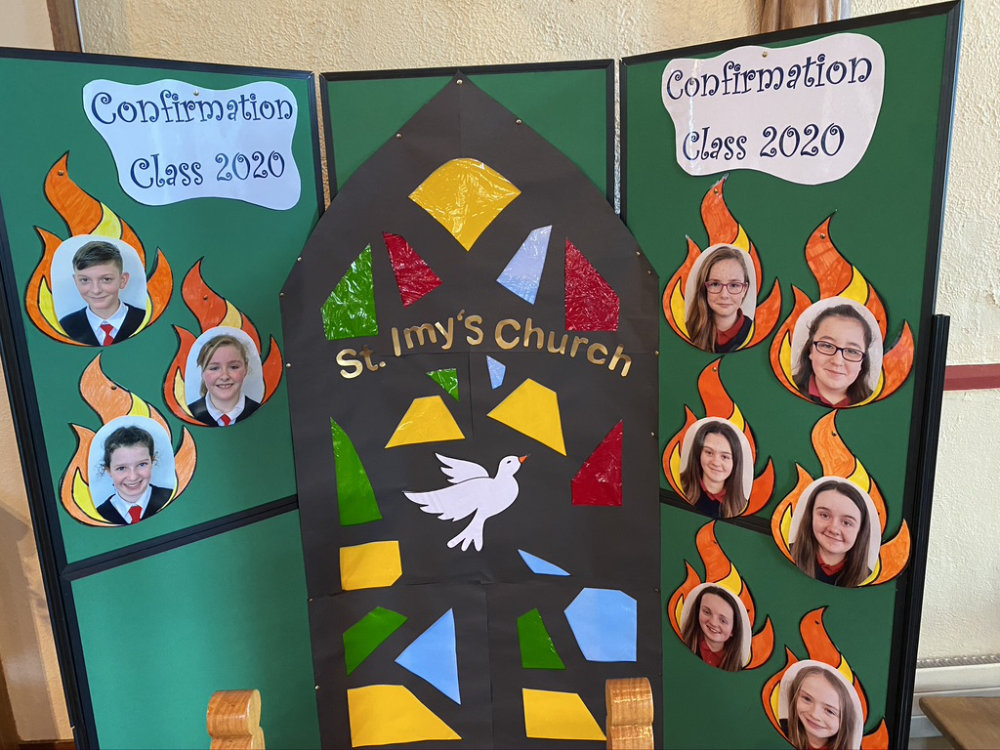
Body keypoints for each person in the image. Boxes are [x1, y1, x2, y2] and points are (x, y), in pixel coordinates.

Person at [58, 240, 145, 346]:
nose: (96, 290)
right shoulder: (65, 327)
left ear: (123, 280)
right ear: (76, 281)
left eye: (106, 279)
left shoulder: (144, 320)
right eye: (85, 280)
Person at [791, 479, 873, 587]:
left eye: (846, 523)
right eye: (825, 515)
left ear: (861, 530)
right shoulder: (784, 555)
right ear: (810, 516)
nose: (833, 529)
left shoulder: (871, 579)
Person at [793, 304, 875, 407]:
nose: (837, 361)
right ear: (811, 350)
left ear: (862, 361)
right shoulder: (783, 391)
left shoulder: (877, 404)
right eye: (827, 346)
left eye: (852, 351)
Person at [95, 425, 172, 525]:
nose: (133, 477)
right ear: (108, 470)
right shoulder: (98, 516)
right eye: (121, 468)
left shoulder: (171, 499)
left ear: (152, 462)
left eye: (142, 464)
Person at [686, 245, 754, 353]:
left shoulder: (755, 331)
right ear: (704, 288)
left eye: (734, 285)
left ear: (744, 289)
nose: (724, 295)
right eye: (715, 284)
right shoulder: (687, 330)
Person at [188, 334, 260, 427]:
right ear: (203, 372)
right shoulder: (188, 415)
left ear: (245, 369)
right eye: (214, 368)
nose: (225, 376)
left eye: (234, 367)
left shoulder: (261, 413)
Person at [679, 421, 747, 519]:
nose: (716, 462)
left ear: (735, 462)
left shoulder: (742, 505)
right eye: (709, 452)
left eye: (724, 457)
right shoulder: (679, 485)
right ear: (698, 454)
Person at [782, 665, 858, 750]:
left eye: (829, 711)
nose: (814, 714)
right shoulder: (782, 731)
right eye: (807, 699)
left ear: (845, 720)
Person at [680, 585, 744, 672]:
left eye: (723, 621)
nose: (713, 623)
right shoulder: (683, 645)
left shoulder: (736, 666)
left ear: (733, 630)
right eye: (707, 612)